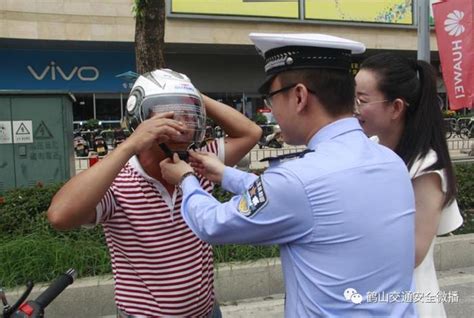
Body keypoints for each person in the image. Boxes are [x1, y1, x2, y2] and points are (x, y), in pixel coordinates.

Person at [160, 33, 417, 317]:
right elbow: (301, 201)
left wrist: (187, 179)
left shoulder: (298, 180)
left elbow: (213, 224)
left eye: (271, 99)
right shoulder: (389, 161)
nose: (272, 111)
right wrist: (225, 175)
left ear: (299, 96)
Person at [47, 69, 262, 317]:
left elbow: (250, 133)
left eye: (191, 116)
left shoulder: (199, 164)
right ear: (142, 119)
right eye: (171, 114)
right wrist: (131, 144)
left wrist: (192, 94)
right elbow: (59, 216)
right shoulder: (118, 181)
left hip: (207, 311)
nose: (183, 126)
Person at [354, 52, 463, 317]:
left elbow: (411, 254)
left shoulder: (426, 169)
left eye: (362, 99)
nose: (353, 107)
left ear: (396, 107)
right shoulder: (372, 148)